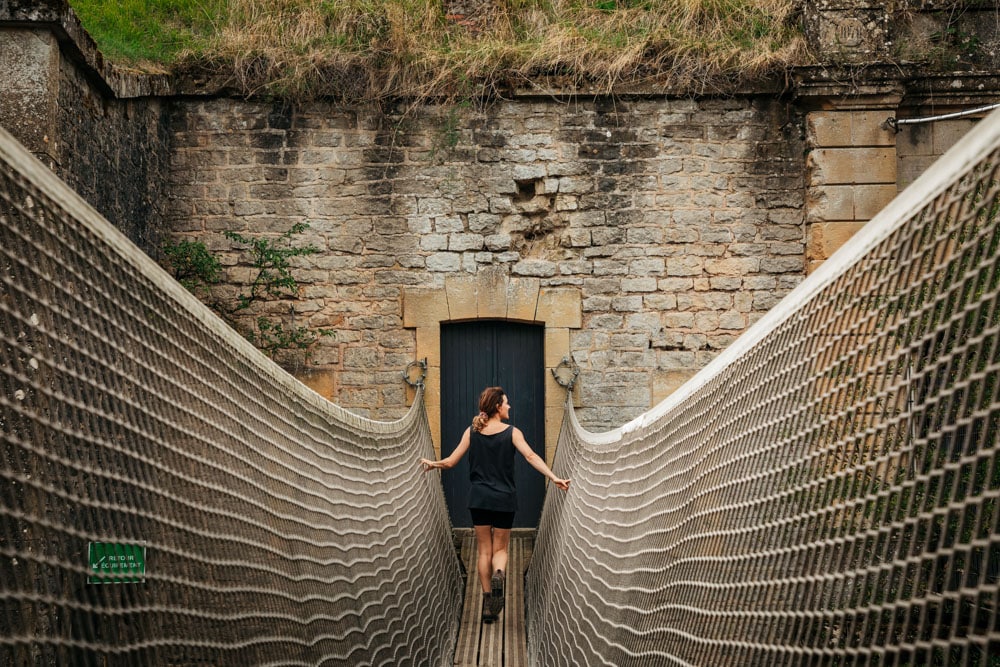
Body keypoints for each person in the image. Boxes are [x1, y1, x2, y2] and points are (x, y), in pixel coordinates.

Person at [420, 386, 570, 623]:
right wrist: (553, 477)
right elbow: (531, 456)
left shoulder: (472, 431)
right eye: (507, 402)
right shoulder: (512, 432)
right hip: (504, 499)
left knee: (484, 550)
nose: (509, 406)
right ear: (498, 407)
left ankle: (489, 603)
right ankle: (499, 573)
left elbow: (450, 462)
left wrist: (433, 464)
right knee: (500, 550)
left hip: (479, 499)